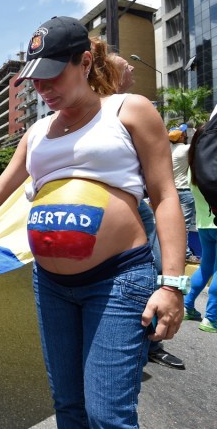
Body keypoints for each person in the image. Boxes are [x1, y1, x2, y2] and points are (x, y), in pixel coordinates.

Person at [0, 17, 186, 427]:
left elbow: (165, 197)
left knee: (107, 415)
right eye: (35, 80)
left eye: (52, 75)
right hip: (52, 286)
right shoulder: (36, 133)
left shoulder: (128, 110)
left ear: (84, 61)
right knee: (69, 407)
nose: (43, 89)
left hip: (118, 281)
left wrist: (172, 285)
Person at [111, 54, 185, 369]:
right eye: (124, 65)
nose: (131, 67)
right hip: (133, 211)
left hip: (138, 206)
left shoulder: (131, 109)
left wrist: (173, 286)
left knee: (151, 275)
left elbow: (162, 189)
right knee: (146, 274)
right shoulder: (124, 108)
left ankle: (147, 343)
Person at [184, 123, 217, 332]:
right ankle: (211, 317)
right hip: (215, 221)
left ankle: (188, 306)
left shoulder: (193, 169)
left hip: (203, 225)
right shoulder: (212, 169)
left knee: (206, 267)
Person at [169, 124, 200, 264]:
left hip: (172, 191)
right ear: (181, 136)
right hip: (184, 192)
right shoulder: (185, 149)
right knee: (185, 226)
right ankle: (186, 254)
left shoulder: (169, 150)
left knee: (173, 224)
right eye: (183, 133)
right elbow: (199, 146)